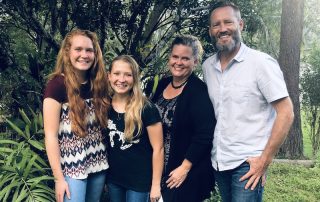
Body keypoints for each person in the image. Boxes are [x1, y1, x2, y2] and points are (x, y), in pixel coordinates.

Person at [202, 1, 295, 202]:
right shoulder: (208, 66)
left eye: (228, 22)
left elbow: (286, 112)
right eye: (216, 24)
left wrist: (265, 160)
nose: (222, 28)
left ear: (241, 25)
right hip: (219, 160)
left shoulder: (260, 63)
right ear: (210, 30)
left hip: (248, 163)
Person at [43, 29, 110, 202]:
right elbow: (50, 136)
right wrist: (58, 178)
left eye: (89, 50)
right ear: (67, 52)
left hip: (97, 163)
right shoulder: (56, 85)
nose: (84, 55)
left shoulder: (98, 84)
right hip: (71, 168)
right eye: (78, 49)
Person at [152, 35, 216, 202]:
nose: (178, 62)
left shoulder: (198, 91)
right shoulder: (161, 84)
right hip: (158, 168)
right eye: (175, 56)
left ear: (195, 62)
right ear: (169, 58)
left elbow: (205, 134)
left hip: (183, 171)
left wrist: (185, 168)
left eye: (185, 58)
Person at [105, 55, 164, 202]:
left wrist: (156, 185)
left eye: (128, 75)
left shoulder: (146, 108)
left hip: (139, 181)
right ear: (109, 76)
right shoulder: (104, 106)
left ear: (135, 78)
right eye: (117, 73)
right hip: (114, 179)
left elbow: (159, 148)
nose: (122, 79)